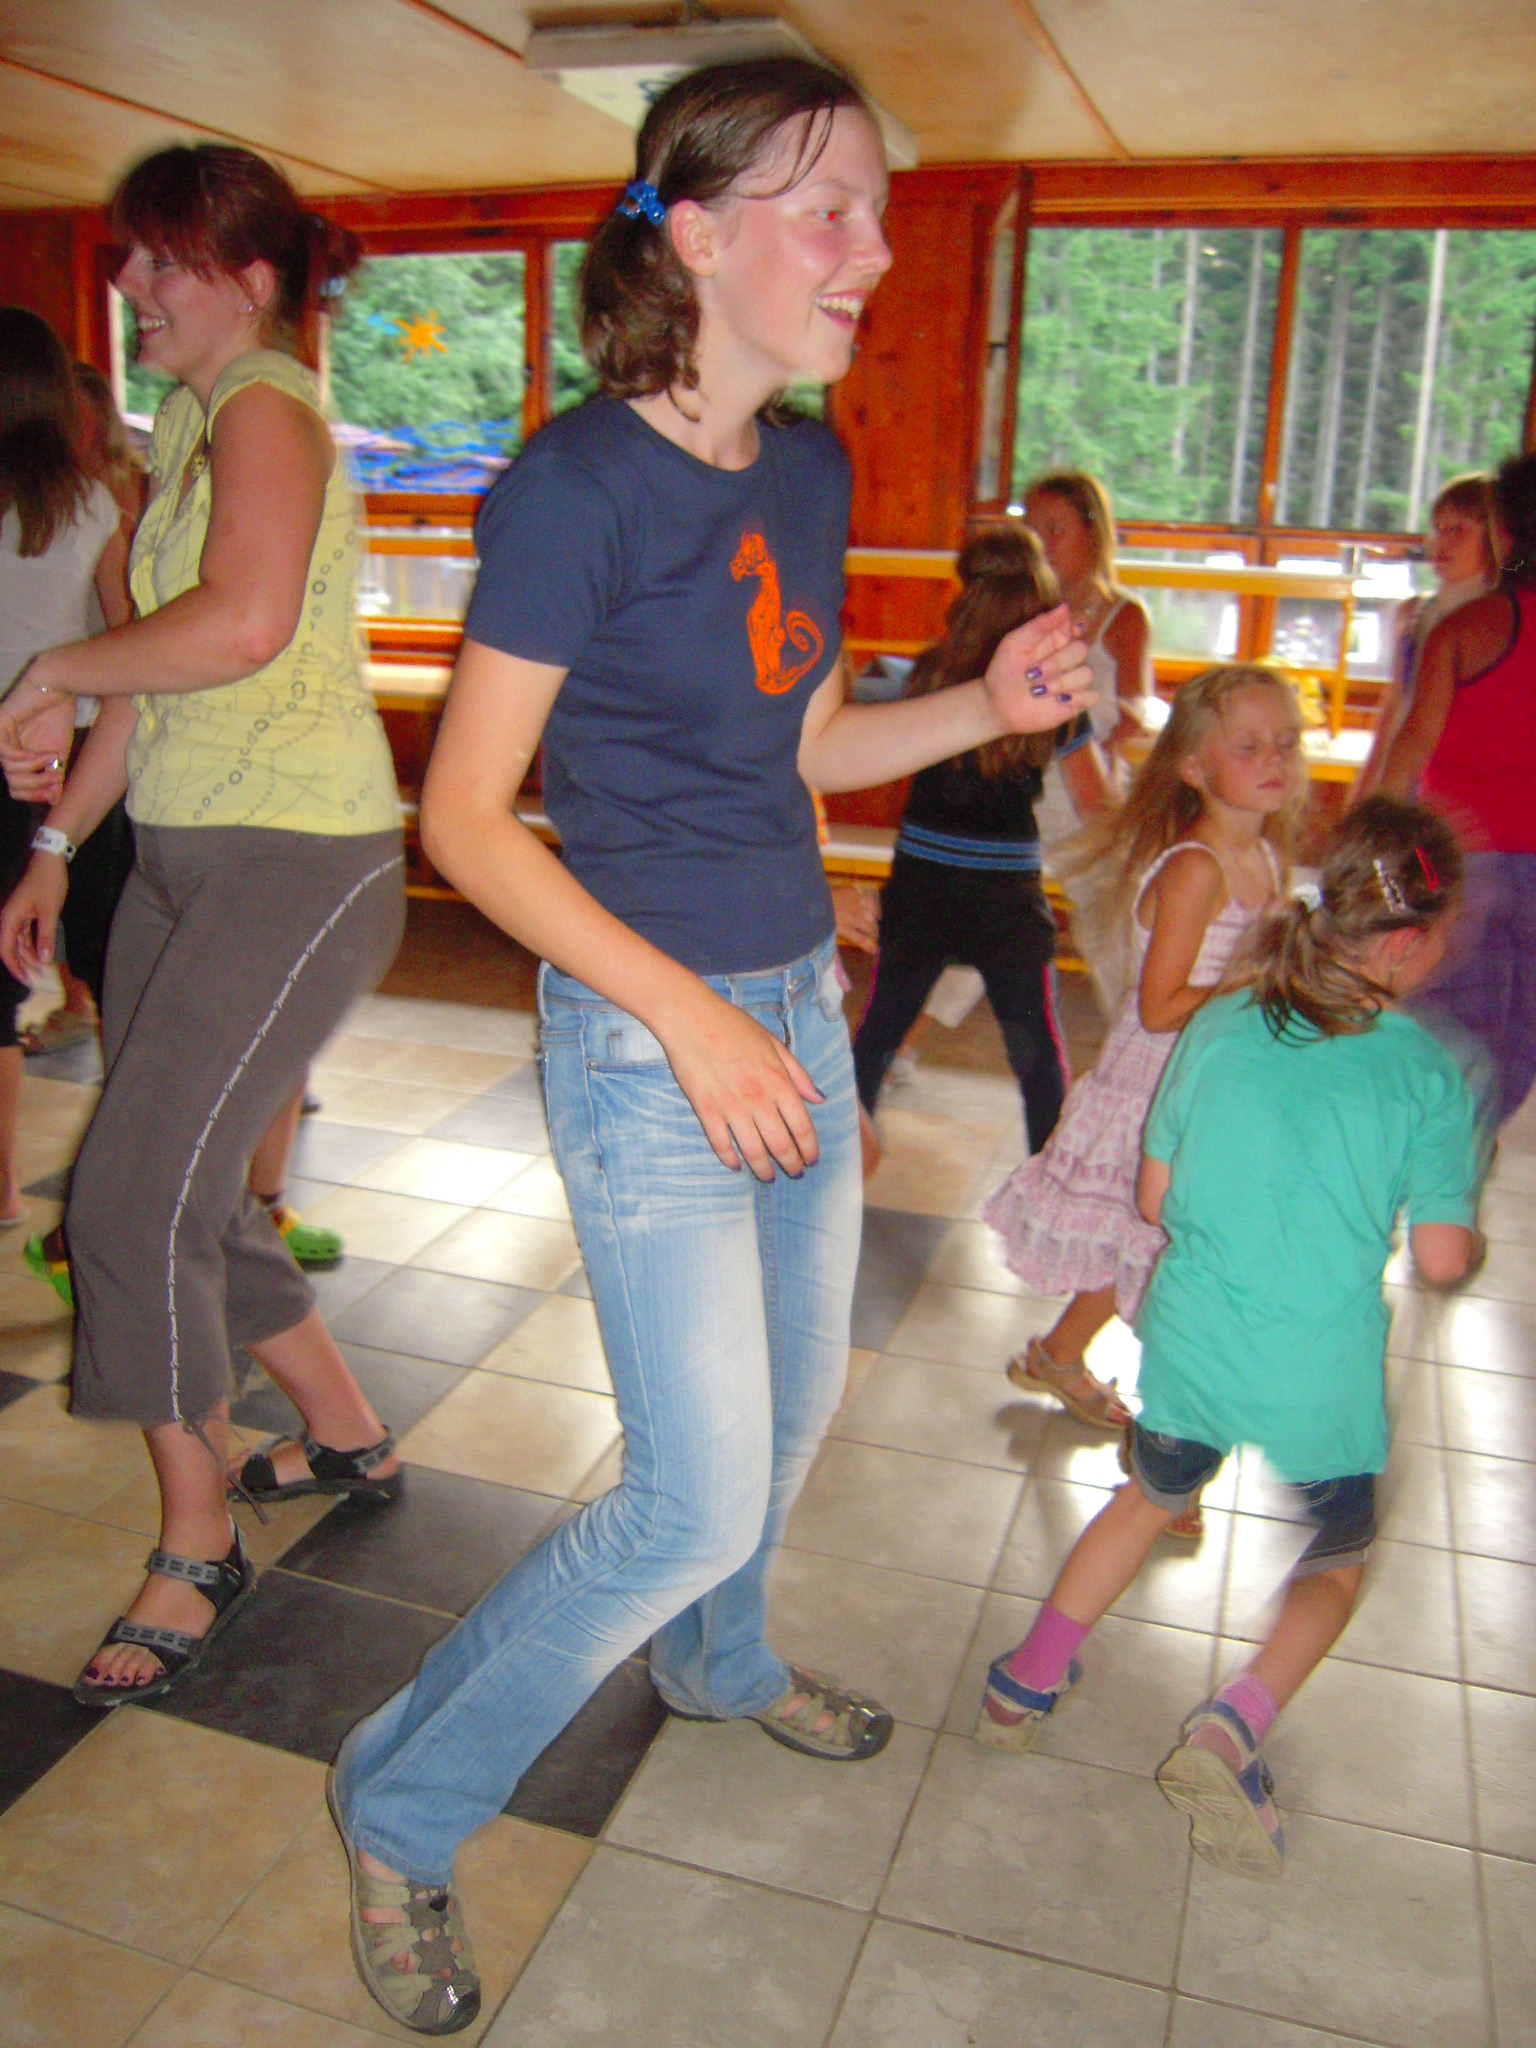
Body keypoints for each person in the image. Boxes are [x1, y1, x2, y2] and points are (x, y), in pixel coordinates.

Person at [325, 56, 1097, 2037]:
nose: (874, 247)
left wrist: (982, 704)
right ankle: (398, 1802)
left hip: (788, 1008)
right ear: (693, 232)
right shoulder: (574, 488)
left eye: (878, 209)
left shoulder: (807, 469)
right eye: (828, 206)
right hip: (646, 1033)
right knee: (683, 1490)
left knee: (788, 1420)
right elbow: (467, 819)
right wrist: (683, 1013)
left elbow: (805, 742)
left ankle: (720, 1661)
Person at [0, 142, 408, 1709]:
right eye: (127, 256)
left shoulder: (266, 410)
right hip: (181, 853)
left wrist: (52, 675)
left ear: (246, 280)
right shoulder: (185, 420)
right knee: (196, 1185)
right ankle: (347, 1433)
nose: (127, 284)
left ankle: (199, 1535)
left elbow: (239, 626)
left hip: (294, 862)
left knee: (126, 1200)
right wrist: (55, 845)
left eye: (159, 260)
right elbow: (154, 664)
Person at [977, 797, 1482, 1885]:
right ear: (1405, 944)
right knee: (1336, 1561)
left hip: (1194, 1338)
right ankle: (1230, 1727)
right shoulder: (1424, 1072)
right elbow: (1442, 1259)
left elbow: (1154, 1199)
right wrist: (1464, 1233)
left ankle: (1022, 1683)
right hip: (1317, 1366)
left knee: (1146, 1498)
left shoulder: (1218, 1022)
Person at [982, 664, 1301, 1491]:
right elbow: (1159, 1008)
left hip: (1211, 1089)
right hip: (1160, 1093)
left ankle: (1059, 1355)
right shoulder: (1198, 869)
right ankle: (1164, 1464)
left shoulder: (1265, 856)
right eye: (1249, 746)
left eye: (1285, 743)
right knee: (1172, 1262)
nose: (1275, 759)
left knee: (1146, 1244)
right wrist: (1261, 980)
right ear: (1193, 766)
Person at [852, 524, 1109, 1150]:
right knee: (1036, 1051)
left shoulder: (928, 675)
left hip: (923, 885)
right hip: (1006, 896)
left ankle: (837, 1160)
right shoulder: (1052, 688)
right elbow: (1097, 802)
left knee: (881, 1031)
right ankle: (1049, 1173)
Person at [0, 309, 133, 1228]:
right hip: (74, 764)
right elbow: (129, 641)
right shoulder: (94, 505)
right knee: (103, 964)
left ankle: (4, 1187)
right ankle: (130, 1170)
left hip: (22, 755)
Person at [1376, 451, 1536, 1129]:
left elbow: (1408, 748)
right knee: (1514, 1050)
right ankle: (1466, 1164)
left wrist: (1373, 845)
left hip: (1460, 863)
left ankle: (1437, 1168)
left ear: (1504, 532)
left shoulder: (1465, 628)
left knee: (1439, 1039)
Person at [1023, 471, 1155, 1011]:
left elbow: (1136, 713)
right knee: (983, 912)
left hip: (1088, 794)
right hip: (1024, 789)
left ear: (1092, 533)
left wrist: (1100, 756)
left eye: (1055, 531)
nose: (1042, 545)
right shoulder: (1024, 614)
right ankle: (900, 1045)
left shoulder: (1123, 616)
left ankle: (1138, 1030)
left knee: (1111, 926)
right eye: (1032, 531)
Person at [1353, 472, 1498, 805]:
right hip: (1406, 782)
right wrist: (1363, 797)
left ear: (1495, 539)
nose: (1442, 541)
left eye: (1459, 530)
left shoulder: (1495, 620)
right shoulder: (1414, 614)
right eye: (1438, 528)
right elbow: (1393, 715)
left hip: (1462, 788)